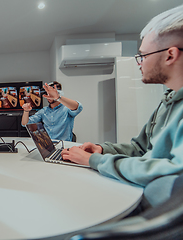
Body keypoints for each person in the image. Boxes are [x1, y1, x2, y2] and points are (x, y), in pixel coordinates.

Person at [60, 4, 183, 210]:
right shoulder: (167, 102)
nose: (139, 62)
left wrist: (95, 160)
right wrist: (102, 149)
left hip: (154, 215)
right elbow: (139, 149)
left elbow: (173, 173)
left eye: (143, 55)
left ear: (170, 55)